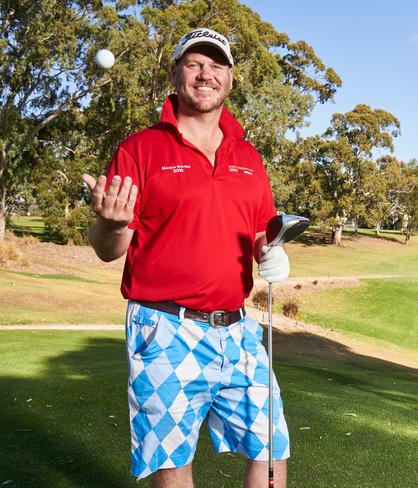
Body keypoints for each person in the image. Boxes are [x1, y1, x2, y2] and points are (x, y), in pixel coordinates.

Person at [82, 28, 291, 487]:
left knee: (271, 446)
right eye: (195, 63)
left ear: (230, 80)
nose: (206, 74)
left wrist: (270, 253)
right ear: (177, 73)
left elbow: (260, 231)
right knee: (173, 459)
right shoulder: (139, 149)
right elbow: (106, 249)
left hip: (237, 329)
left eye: (217, 66)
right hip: (164, 328)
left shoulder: (249, 157)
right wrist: (114, 224)